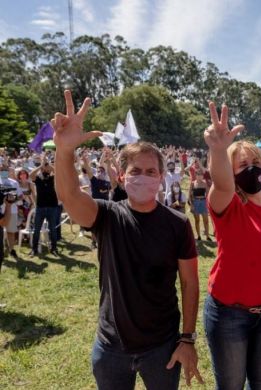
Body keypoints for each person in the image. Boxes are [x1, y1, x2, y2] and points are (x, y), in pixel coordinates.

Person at [52, 90, 202, 389]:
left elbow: (189, 283)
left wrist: (187, 338)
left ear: (161, 177)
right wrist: (65, 151)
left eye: (150, 171)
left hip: (162, 346)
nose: (143, 177)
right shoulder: (106, 216)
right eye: (135, 171)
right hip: (111, 347)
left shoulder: (178, 223)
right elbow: (69, 195)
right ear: (121, 177)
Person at [203, 101, 261, 389]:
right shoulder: (228, 204)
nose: (252, 169)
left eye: (256, 163)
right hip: (229, 314)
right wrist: (218, 150)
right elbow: (221, 183)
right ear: (231, 172)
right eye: (243, 165)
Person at [29, 157, 59, 256]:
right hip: (40, 207)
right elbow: (31, 175)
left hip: (52, 207)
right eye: (44, 168)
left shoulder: (52, 178)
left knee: (53, 229)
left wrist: (49, 165)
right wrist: (41, 166)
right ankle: (34, 249)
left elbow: (57, 171)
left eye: (46, 167)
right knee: (36, 229)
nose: (45, 169)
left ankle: (54, 248)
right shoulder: (38, 179)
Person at [0, 163, 21, 259]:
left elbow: (20, 196)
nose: (3, 171)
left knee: (11, 232)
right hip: (0, 210)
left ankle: (11, 249)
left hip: (12, 210)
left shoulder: (14, 182)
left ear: (8, 171)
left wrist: (12, 201)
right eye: (1, 169)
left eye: (5, 169)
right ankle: (3, 250)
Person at [188, 172, 211, 241]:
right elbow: (189, 195)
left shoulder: (204, 184)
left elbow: (208, 194)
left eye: (201, 175)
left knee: (206, 220)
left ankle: (207, 236)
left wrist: (207, 204)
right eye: (198, 175)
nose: (200, 176)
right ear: (196, 175)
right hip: (195, 202)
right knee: (197, 220)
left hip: (203, 202)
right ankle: (198, 236)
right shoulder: (192, 183)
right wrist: (191, 204)